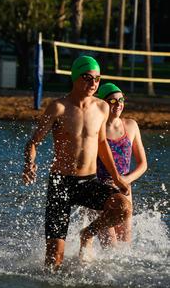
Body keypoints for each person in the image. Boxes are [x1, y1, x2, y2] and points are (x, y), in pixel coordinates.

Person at [22, 55, 131, 269]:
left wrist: (117, 178)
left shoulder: (102, 108)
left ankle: (87, 233)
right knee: (54, 262)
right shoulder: (58, 107)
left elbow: (102, 144)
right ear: (75, 78)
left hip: (89, 182)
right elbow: (33, 142)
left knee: (123, 208)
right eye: (87, 78)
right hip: (61, 184)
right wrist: (29, 164)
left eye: (97, 79)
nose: (93, 83)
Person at [94, 83, 147, 244]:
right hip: (100, 192)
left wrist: (125, 180)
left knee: (124, 249)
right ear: (102, 103)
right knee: (110, 248)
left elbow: (143, 164)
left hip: (125, 191)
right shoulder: (95, 129)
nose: (118, 104)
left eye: (121, 100)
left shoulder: (131, 126)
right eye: (112, 101)